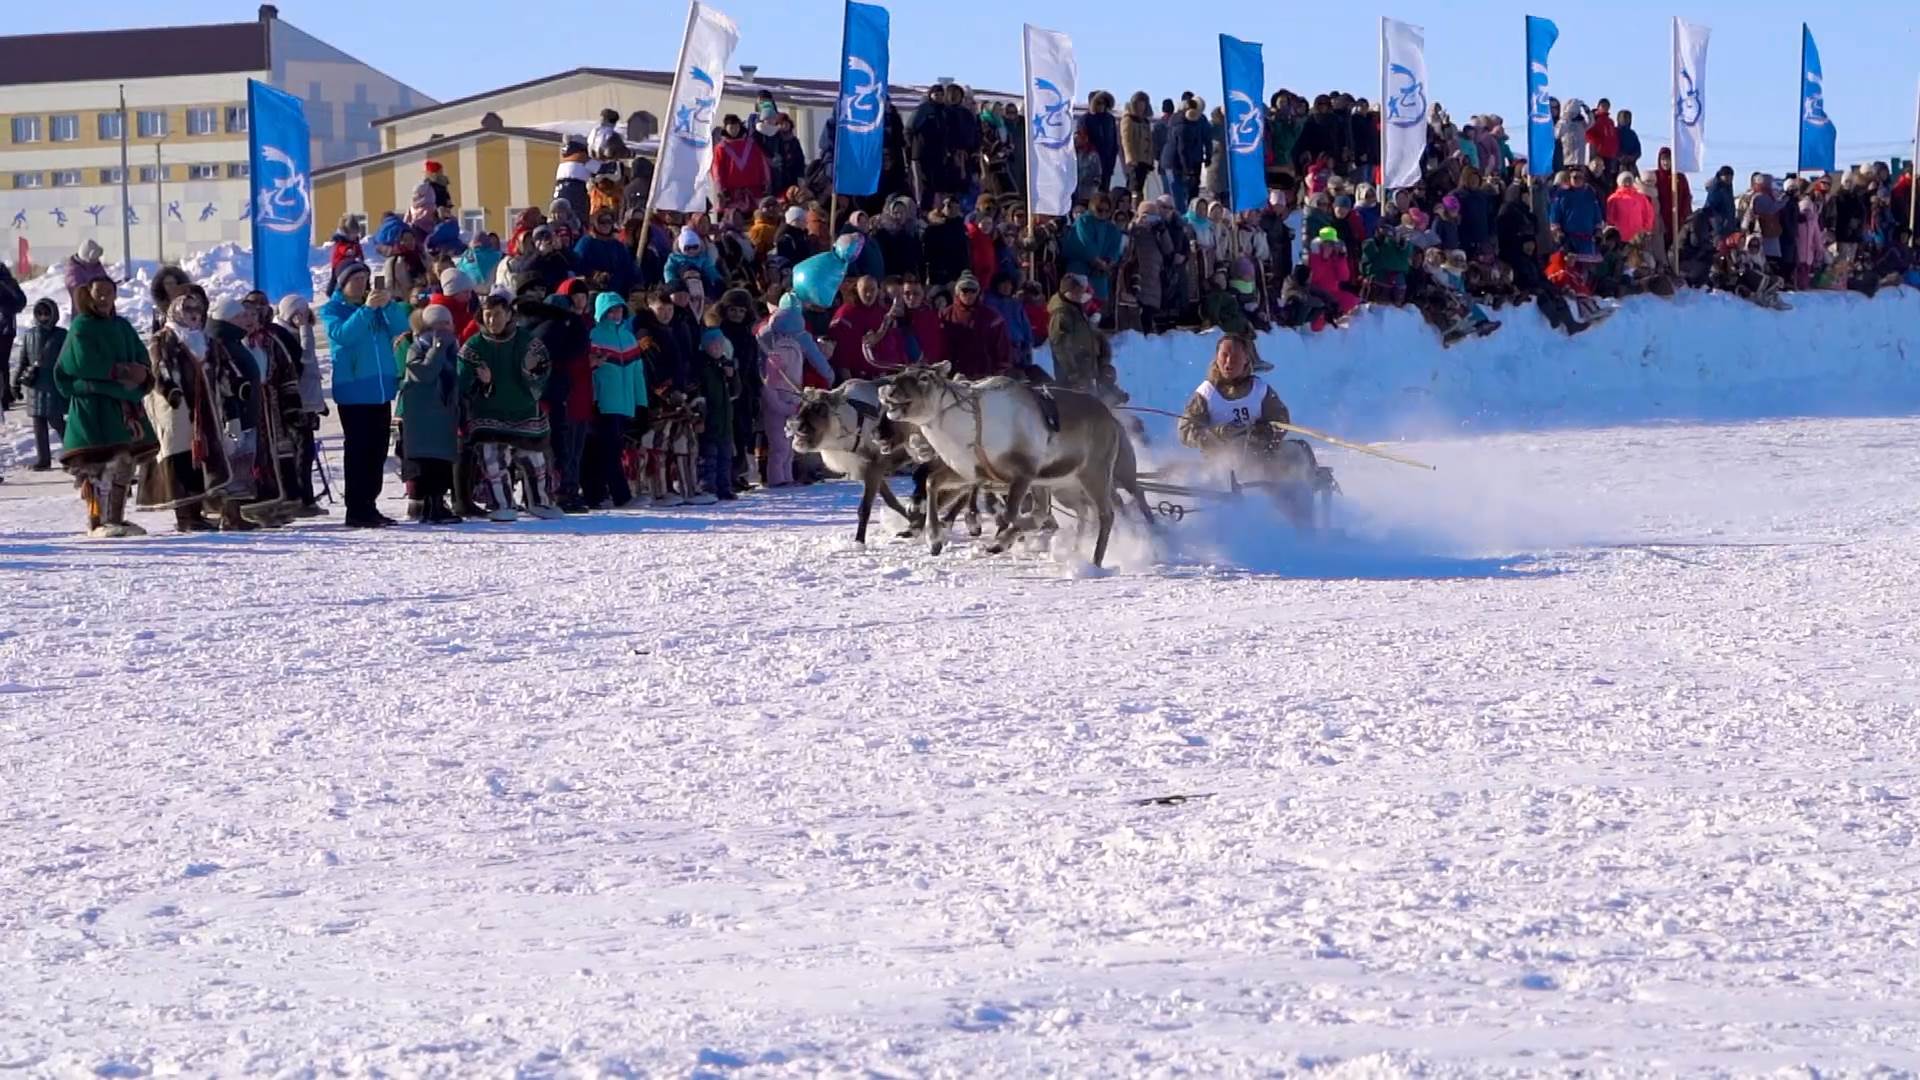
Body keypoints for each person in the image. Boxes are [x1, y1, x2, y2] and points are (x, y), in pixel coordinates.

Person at [55, 258, 158, 537]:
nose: (104, 298)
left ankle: (116, 518)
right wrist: (121, 371)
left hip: (122, 408)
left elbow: (140, 354)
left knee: (124, 463)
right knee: (96, 468)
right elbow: (83, 363)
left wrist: (142, 373)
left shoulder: (122, 326)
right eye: (99, 293)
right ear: (88, 295)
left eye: (109, 293)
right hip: (93, 409)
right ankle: (97, 521)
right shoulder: (82, 327)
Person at [319, 260, 410, 528]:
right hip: (355, 391)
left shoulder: (374, 308)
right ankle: (356, 508)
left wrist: (388, 305)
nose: (361, 284)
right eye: (355, 279)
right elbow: (342, 335)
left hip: (379, 390)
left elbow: (401, 327)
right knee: (358, 453)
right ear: (342, 282)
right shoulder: (332, 309)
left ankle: (370, 504)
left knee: (378, 451)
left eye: (364, 279)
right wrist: (367, 310)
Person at [137, 293, 234, 532]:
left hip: (204, 407)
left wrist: (230, 385)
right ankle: (185, 515)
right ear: (176, 311)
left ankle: (197, 512)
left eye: (197, 310)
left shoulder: (204, 339)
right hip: (175, 409)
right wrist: (170, 390)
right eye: (188, 309)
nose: (193, 314)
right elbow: (159, 368)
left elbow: (222, 366)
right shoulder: (164, 338)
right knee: (180, 459)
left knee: (200, 458)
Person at [460, 292, 560, 521]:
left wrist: (530, 372)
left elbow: (543, 367)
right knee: (494, 461)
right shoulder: (474, 346)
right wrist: (481, 382)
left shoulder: (527, 340)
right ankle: (502, 503)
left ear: (508, 315)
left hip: (524, 411)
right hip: (489, 414)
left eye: (497, 315)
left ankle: (540, 502)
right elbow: (462, 380)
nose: (492, 320)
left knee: (536, 462)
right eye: (488, 315)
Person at [399, 304, 464, 524]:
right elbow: (425, 373)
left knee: (442, 462)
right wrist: (436, 349)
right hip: (422, 417)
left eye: (448, 323)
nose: (446, 328)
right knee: (426, 463)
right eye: (440, 324)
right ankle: (428, 506)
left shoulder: (453, 348)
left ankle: (438, 503)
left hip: (443, 415)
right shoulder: (416, 347)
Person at [584, 291, 647, 509]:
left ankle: (600, 494)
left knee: (612, 450)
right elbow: (588, 372)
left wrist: (642, 403)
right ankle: (621, 495)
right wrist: (593, 399)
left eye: (618, 310)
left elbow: (638, 373)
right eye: (610, 311)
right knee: (608, 451)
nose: (615, 314)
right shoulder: (593, 336)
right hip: (602, 403)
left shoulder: (629, 338)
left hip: (625, 404)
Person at [10, 299, 69, 472]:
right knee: (38, 426)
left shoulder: (61, 335)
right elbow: (22, 361)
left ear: (54, 315)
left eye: (47, 313)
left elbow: (68, 360)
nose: (44, 317)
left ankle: (73, 455)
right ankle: (43, 459)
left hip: (53, 385)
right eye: (40, 313)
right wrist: (15, 383)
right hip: (35, 387)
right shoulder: (29, 335)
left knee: (57, 422)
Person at [1046, 273, 1116, 396]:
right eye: (1078, 292)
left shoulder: (1077, 310)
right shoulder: (1062, 314)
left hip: (1086, 376)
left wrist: (1102, 366)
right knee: (1081, 412)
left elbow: (1094, 338)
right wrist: (1074, 376)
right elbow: (1061, 348)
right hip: (1072, 381)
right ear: (1069, 292)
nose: (1082, 295)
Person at [693, 328, 741, 502]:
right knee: (709, 458)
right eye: (712, 345)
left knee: (725, 457)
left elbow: (736, 392)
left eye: (719, 345)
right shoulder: (702, 367)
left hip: (725, 421)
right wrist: (700, 417)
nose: (716, 348)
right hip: (710, 419)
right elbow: (699, 395)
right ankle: (707, 486)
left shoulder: (726, 365)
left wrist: (732, 376)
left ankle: (724, 487)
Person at [940, 271, 1011, 379]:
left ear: (978, 292)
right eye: (965, 290)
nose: (969, 294)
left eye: (973, 290)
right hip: (954, 376)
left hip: (984, 376)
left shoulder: (992, 317)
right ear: (957, 292)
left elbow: (1002, 346)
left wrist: (1000, 370)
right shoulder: (945, 315)